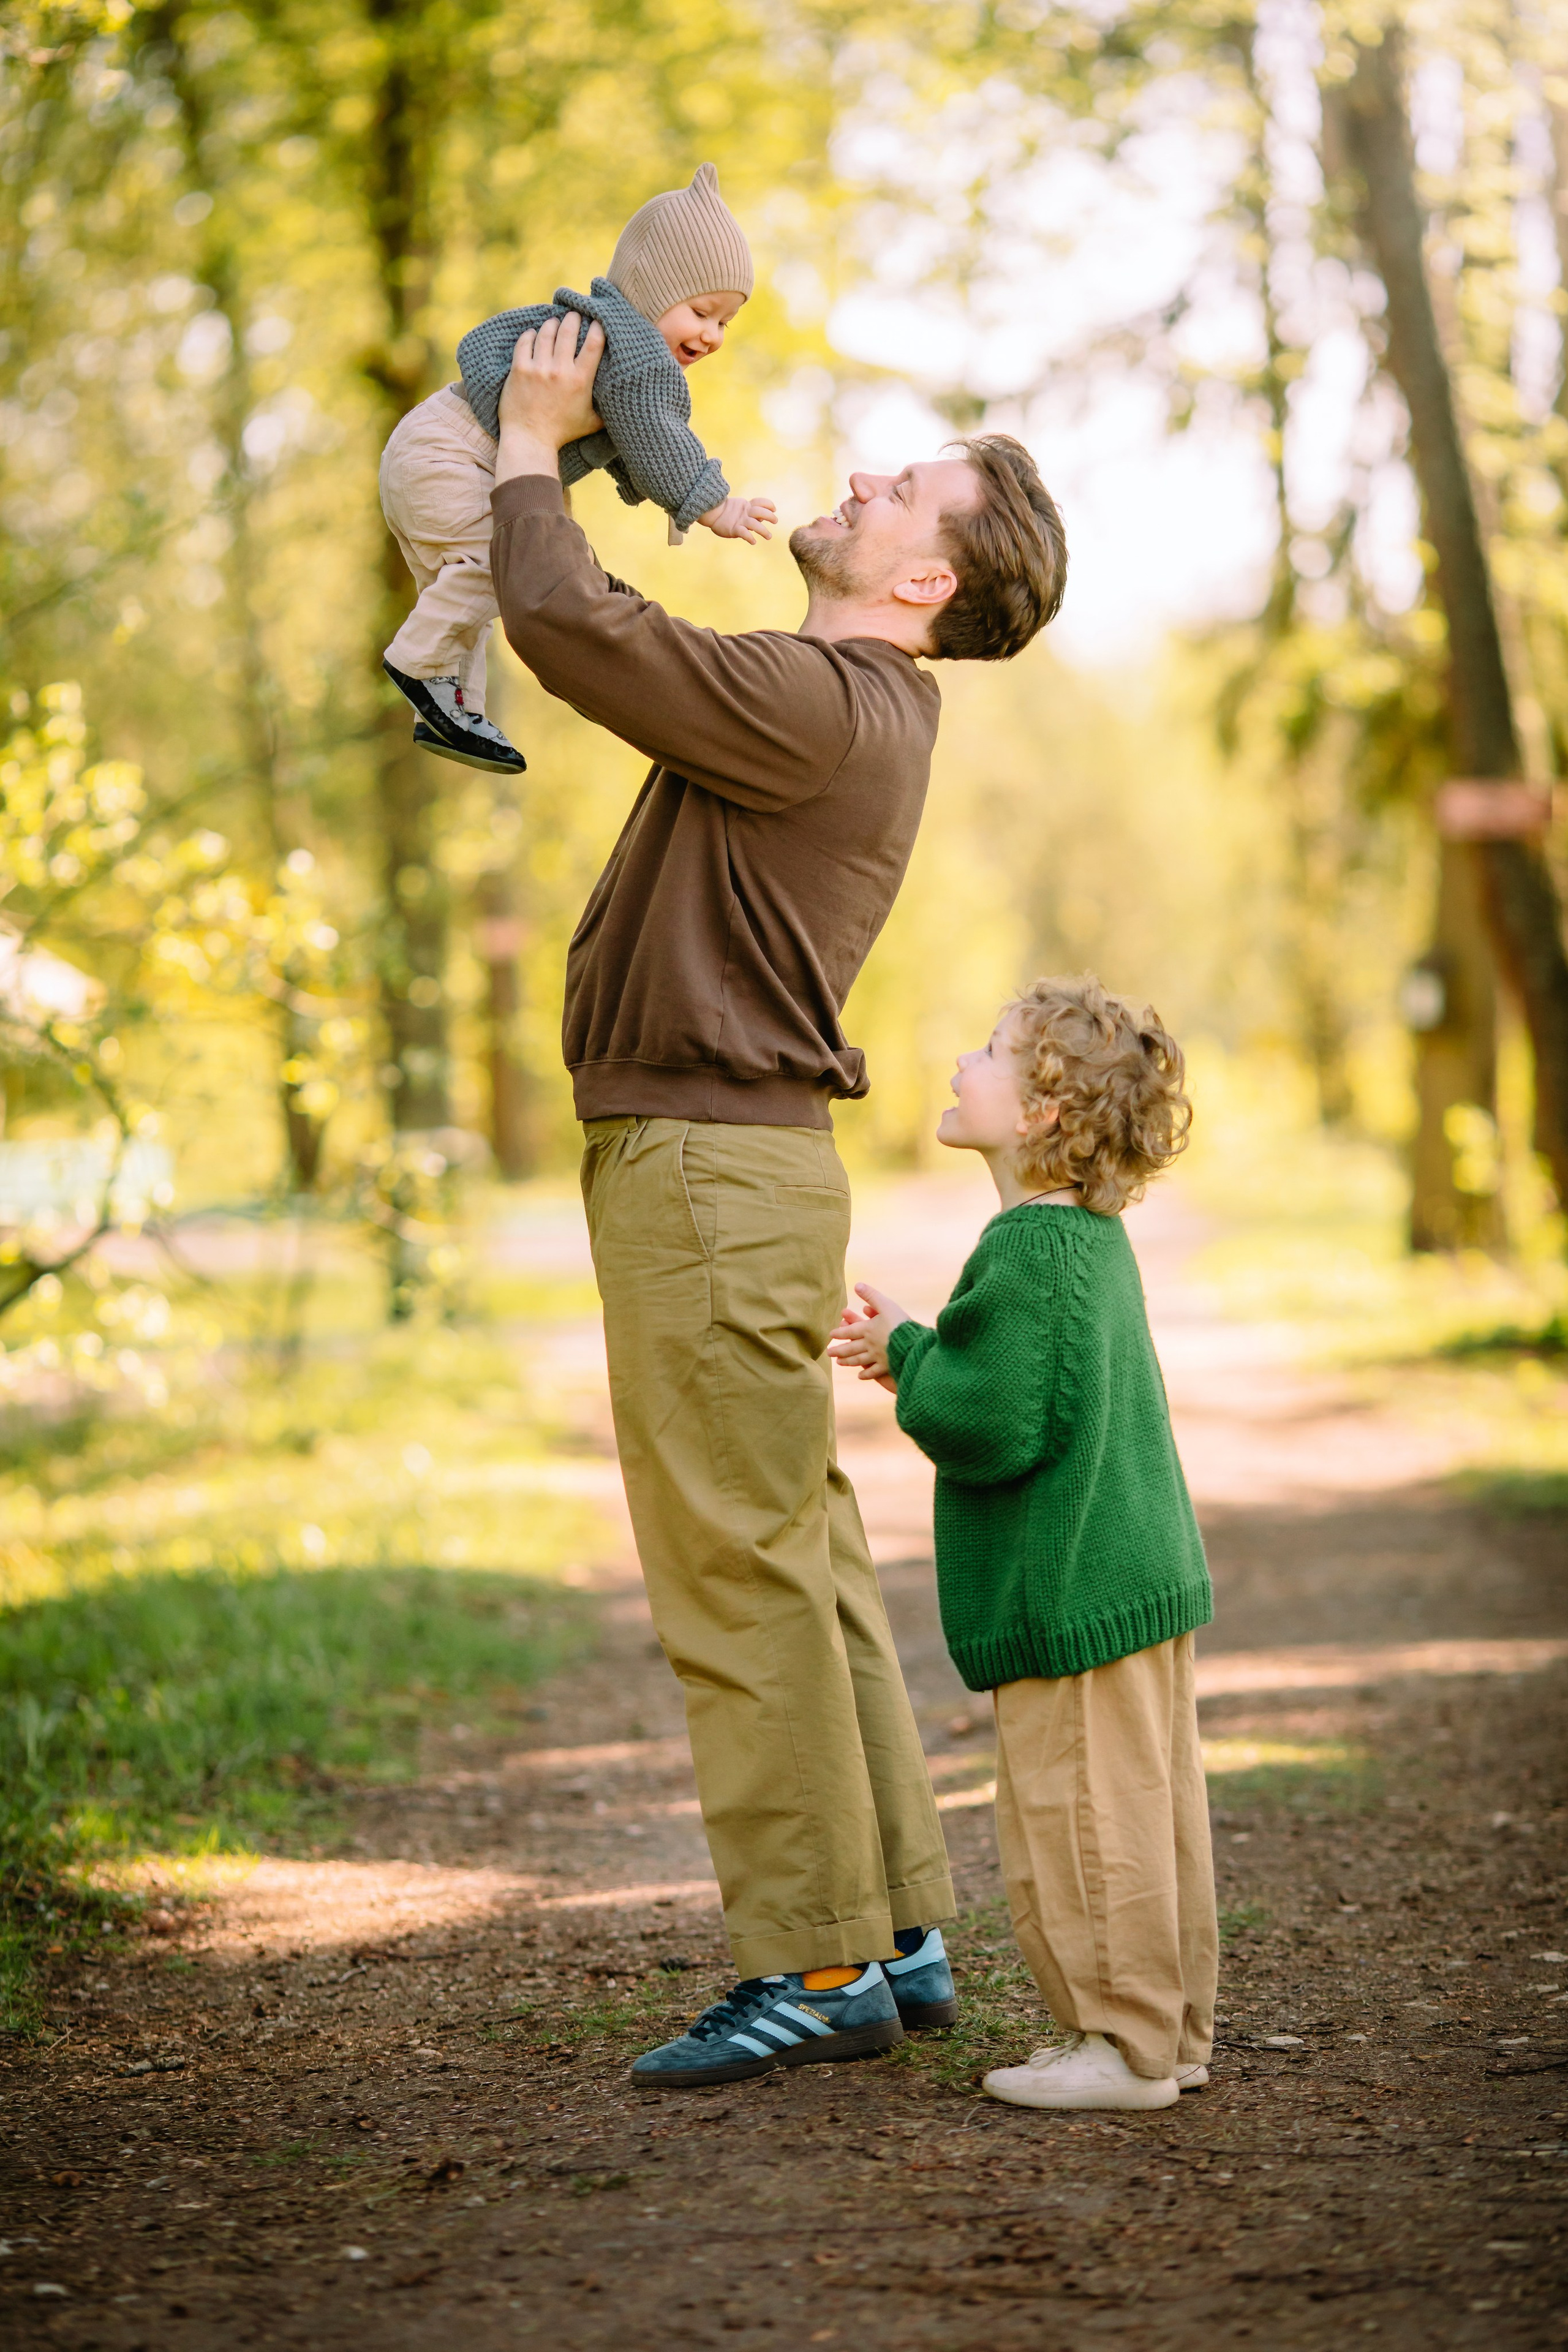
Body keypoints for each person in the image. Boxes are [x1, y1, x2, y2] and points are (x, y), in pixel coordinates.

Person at [490, 307, 1068, 2089]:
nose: (870, 474)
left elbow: (573, 621)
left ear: (924, 584)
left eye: (915, 489)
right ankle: (885, 1927)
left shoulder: (825, 705)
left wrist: (530, 439)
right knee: (800, 1560)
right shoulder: (828, 702)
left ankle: (812, 1953)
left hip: (704, 1173)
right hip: (744, 1173)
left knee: (738, 1574)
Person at [830, 976, 1218, 2113]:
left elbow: (997, 1421)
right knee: (1152, 1817)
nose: (961, 1063)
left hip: (1075, 1596)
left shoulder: (1030, 1250)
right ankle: (1169, 2030)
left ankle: (1124, 2048)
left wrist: (910, 1351)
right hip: (1134, 1581)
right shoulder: (1085, 1243)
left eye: (990, 1051)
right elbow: (1030, 1381)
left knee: (1083, 1822)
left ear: (1044, 1111)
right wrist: (922, 1344)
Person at [379, 164, 775, 775]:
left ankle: (451, 710)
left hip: (431, 444)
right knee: (500, 566)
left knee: (466, 589)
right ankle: (417, 663)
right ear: (651, 288)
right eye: (701, 311)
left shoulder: (609, 337)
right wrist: (715, 504)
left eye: (726, 322)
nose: (713, 335)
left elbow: (631, 444)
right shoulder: (636, 353)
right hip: (456, 454)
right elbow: (660, 442)